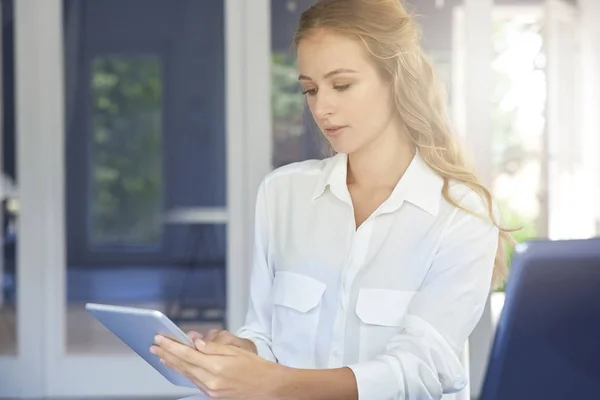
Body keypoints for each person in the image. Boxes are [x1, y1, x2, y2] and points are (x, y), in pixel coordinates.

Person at [150, 0, 514, 398]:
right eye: (310, 89)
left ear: (397, 78)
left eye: (341, 85)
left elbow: (423, 368)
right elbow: (263, 332)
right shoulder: (282, 194)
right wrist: (244, 353)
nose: (321, 107)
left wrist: (274, 383)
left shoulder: (462, 212)